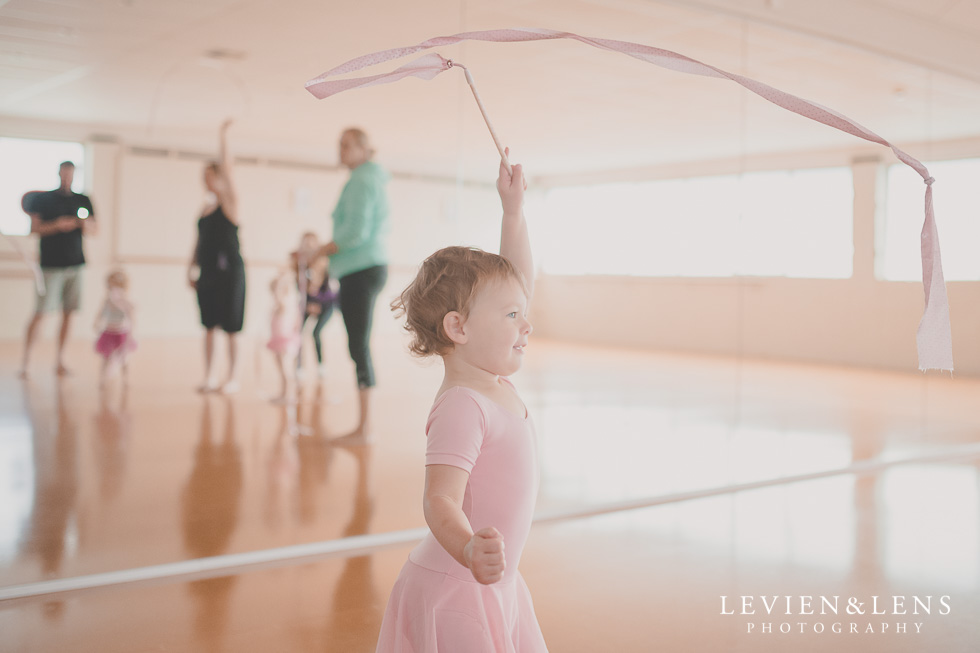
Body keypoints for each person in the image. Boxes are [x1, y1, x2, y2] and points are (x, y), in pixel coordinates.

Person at [376, 153, 547, 651]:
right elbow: (440, 499)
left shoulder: (492, 383)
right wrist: (468, 547)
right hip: (459, 586)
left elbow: (519, 285)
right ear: (458, 328)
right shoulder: (462, 406)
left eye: (522, 312)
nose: (527, 324)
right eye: (512, 315)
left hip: (490, 579)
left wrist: (512, 214)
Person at [318, 128, 389, 443]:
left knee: (358, 345)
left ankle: (365, 428)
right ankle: (365, 426)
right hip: (361, 269)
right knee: (358, 344)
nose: (340, 150)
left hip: (361, 269)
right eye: (339, 144)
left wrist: (318, 251)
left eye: (346, 145)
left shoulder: (362, 179)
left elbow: (353, 233)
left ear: (363, 148)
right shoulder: (367, 178)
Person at [19, 160, 97, 377]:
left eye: (70, 174)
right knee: (40, 312)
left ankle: (60, 360)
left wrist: (82, 224)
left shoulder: (83, 199)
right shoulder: (44, 200)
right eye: (64, 174)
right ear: (59, 173)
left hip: (75, 265)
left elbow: (95, 228)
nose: (67, 178)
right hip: (50, 266)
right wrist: (57, 225)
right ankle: (25, 362)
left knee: (68, 314)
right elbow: (34, 228)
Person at [187, 119, 246, 394]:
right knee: (209, 326)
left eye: (210, 175)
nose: (205, 180)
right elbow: (198, 242)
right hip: (208, 274)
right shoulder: (204, 209)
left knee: (231, 328)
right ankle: (210, 375)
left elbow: (229, 170)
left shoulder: (230, 203)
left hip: (231, 275)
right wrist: (190, 268)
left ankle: (232, 377)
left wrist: (223, 135)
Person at [292, 232, 337, 380]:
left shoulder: (325, 263)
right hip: (307, 303)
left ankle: (321, 365)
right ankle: (299, 366)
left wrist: (316, 303)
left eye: (312, 243)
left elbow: (326, 289)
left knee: (316, 333)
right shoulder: (299, 264)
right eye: (306, 243)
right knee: (298, 333)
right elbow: (299, 288)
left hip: (326, 304)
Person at [93, 269, 137, 386]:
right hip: (108, 333)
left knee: (124, 359)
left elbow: (132, 316)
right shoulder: (107, 301)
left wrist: (131, 333)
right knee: (106, 358)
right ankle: (102, 379)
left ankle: (125, 380)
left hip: (121, 333)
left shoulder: (125, 303)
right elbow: (100, 313)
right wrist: (96, 322)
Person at [266, 269, 302, 404]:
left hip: (285, 342)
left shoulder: (286, 303)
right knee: (282, 371)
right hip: (279, 341)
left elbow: (279, 292)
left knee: (286, 371)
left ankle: (288, 395)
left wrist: (282, 279)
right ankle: (283, 393)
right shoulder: (280, 305)